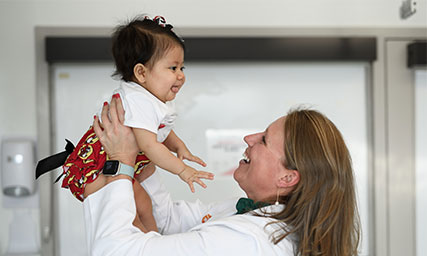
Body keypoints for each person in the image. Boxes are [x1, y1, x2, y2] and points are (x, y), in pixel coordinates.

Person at [83, 96, 361, 256]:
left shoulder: (248, 242)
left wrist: (120, 163)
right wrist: (146, 155)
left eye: (264, 140)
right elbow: (169, 221)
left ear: (287, 178)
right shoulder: (246, 214)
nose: (248, 138)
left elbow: (114, 251)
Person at [36, 15, 213, 232]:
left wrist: (178, 147)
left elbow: (161, 129)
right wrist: (182, 170)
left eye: (182, 69)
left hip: (114, 168)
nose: (181, 76)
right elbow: (150, 145)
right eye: (173, 68)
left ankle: (153, 240)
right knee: (132, 218)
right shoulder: (138, 100)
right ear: (141, 72)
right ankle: (149, 242)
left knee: (144, 207)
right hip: (97, 171)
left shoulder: (150, 98)